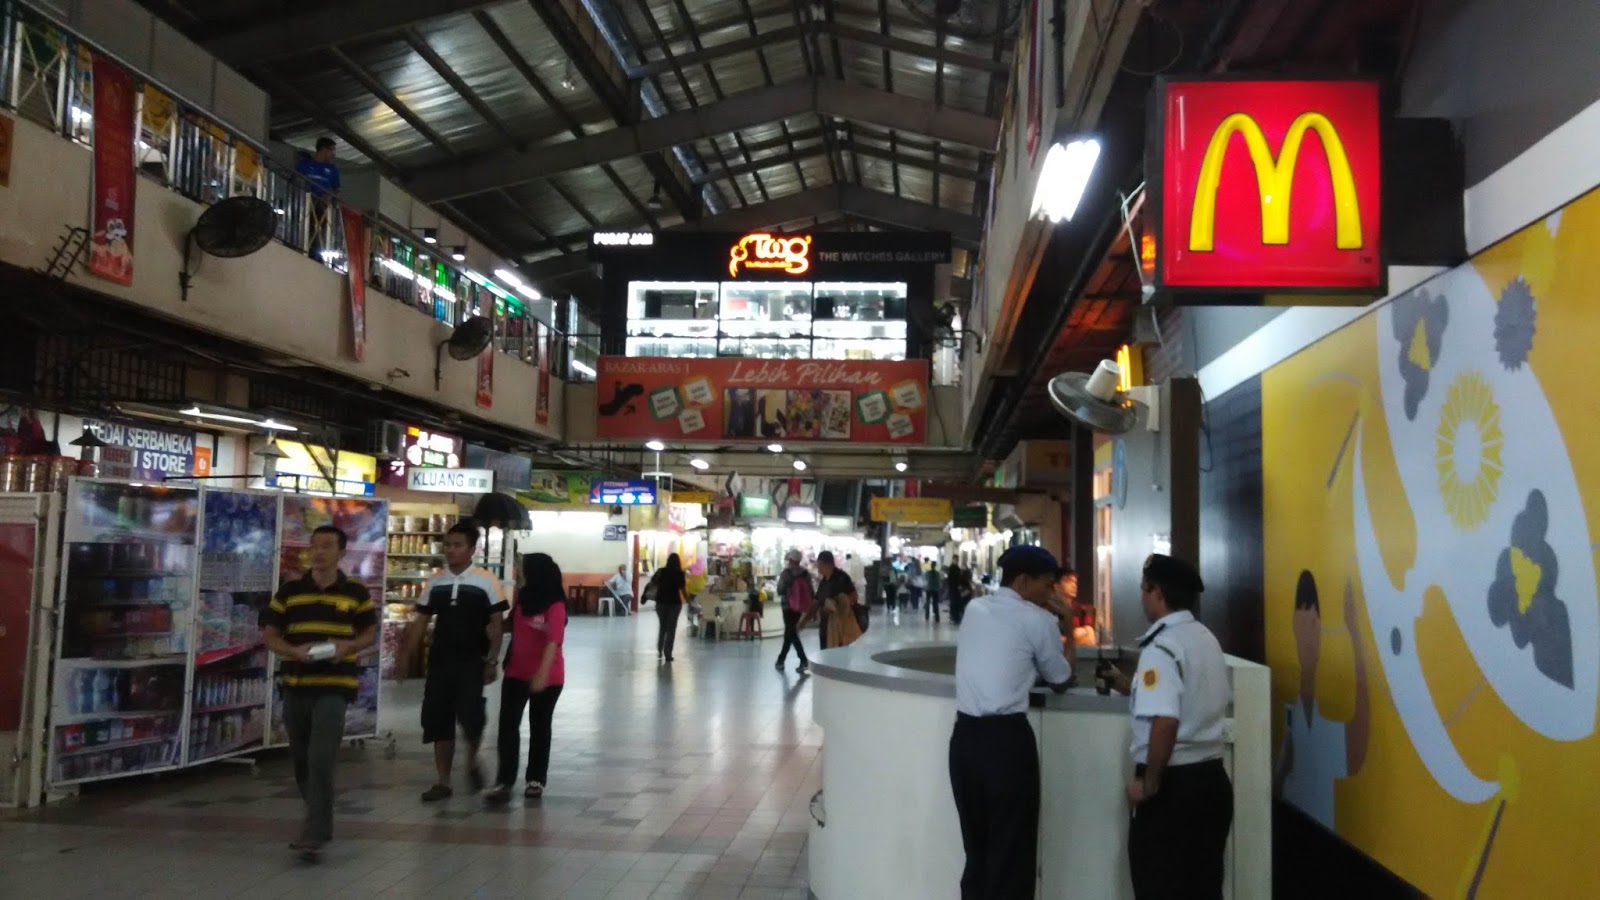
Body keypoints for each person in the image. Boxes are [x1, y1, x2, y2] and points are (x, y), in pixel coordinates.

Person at [948, 545, 1072, 899]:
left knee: (978, 850)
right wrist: (1067, 624)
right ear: (1023, 582)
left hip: (965, 741)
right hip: (1006, 745)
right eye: (1048, 586)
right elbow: (1061, 678)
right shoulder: (1039, 620)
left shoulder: (975, 608)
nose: (1053, 593)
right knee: (1012, 853)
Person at [1109, 554, 1233, 900]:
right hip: (1211, 782)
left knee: (1159, 885)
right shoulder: (1205, 638)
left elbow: (1166, 720)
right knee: (1203, 887)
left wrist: (1149, 786)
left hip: (1172, 789)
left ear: (1156, 592)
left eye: (1143, 590)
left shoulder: (1161, 646)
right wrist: (1128, 686)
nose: (1142, 597)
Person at [259, 525, 377, 862]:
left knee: (321, 758)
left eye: (327, 546)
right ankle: (320, 824)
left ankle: (313, 833)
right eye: (315, 546)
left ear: (342, 553)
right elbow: (270, 634)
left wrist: (348, 646)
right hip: (297, 683)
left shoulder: (355, 592)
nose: (319, 552)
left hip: (335, 686)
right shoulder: (289, 591)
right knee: (301, 761)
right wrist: (294, 652)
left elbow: (368, 634)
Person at [403, 521, 508, 802]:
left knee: (472, 718)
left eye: (457, 545)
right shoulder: (435, 581)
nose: (451, 550)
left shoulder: (487, 580)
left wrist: (492, 661)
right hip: (440, 661)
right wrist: (407, 655)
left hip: (472, 660)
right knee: (438, 720)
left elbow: (497, 623)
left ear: (472, 549)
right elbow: (421, 620)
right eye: (447, 545)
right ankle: (443, 781)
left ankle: (472, 759)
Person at [1275, 570, 1369, 830]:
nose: (1309, 630)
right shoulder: (1294, 712)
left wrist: (1355, 634)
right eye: (1303, 622)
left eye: (1314, 622)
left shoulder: (1312, 718)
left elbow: (1356, 750)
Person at [487, 553, 567, 804]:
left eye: (523, 570)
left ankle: (535, 780)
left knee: (539, 727)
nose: (519, 574)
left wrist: (541, 674)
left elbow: (554, 640)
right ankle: (504, 781)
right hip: (515, 673)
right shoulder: (523, 599)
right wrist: (492, 625)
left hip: (548, 678)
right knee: (508, 727)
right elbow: (513, 625)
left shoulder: (555, 604)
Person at [294, 137, 340, 259]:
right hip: (304, 204)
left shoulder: (332, 170)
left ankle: (315, 253)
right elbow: (295, 180)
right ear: (324, 149)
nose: (333, 154)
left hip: (321, 207)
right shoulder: (304, 164)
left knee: (318, 230)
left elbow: (336, 189)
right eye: (332, 150)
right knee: (305, 227)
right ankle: (301, 246)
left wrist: (329, 197)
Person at [806, 550, 861, 650]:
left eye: (819, 565)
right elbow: (818, 599)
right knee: (825, 652)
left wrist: (837, 604)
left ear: (827, 564)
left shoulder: (842, 578)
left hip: (839, 625)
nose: (818, 568)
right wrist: (811, 614)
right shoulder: (824, 580)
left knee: (838, 654)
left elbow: (854, 596)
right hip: (825, 625)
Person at [774, 549, 813, 674]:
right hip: (799, 607)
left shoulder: (786, 574)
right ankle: (782, 660)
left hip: (787, 606)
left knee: (791, 633)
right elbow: (811, 591)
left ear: (790, 560)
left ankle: (801, 660)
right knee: (791, 632)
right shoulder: (805, 573)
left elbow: (780, 590)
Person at [653, 553, 687, 662]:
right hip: (674, 603)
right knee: (671, 629)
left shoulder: (661, 571)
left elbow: (653, 582)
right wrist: (688, 599)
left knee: (663, 627)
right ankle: (668, 653)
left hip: (661, 602)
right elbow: (682, 588)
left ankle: (659, 649)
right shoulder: (680, 573)